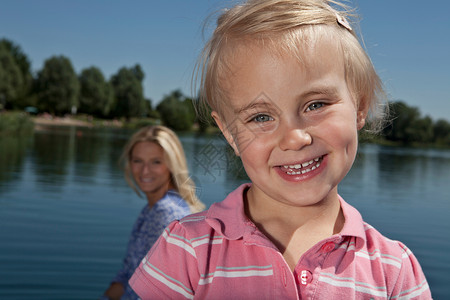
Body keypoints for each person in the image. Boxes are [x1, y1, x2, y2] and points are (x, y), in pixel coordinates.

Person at [129, 0, 432, 299]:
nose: (294, 138)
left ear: (360, 107)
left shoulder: (394, 271)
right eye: (261, 117)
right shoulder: (187, 250)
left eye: (316, 104)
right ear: (230, 134)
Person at [102, 125, 204, 300]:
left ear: (172, 165)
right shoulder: (156, 207)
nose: (145, 171)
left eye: (156, 162)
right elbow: (129, 274)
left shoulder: (166, 213)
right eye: (137, 161)